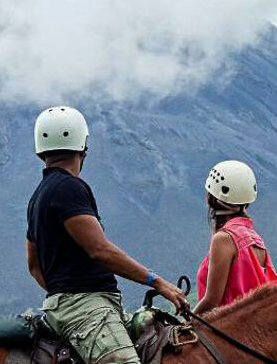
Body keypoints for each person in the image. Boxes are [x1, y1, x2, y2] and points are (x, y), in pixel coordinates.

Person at [26, 106, 189, 364]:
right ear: (82, 147)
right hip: (86, 310)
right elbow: (99, 250)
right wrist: (157, 282)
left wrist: (61, 292)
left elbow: (34, 266)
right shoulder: (69, 188)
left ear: (41, 150)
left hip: (74, 306)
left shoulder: (38, 196)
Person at [193, 160, 277, 315]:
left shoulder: (223, 239)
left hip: (226, 326)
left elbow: (212, 301)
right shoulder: (254, 237)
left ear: (212, 197)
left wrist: (186, 323)